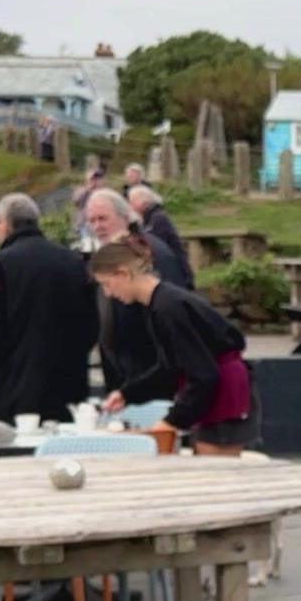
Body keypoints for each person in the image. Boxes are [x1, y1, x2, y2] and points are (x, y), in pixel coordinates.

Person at [89, 232, 259, 455]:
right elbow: (170, 366)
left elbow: (203, 375)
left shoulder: (168, 308)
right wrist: (128, 394)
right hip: (216, 392)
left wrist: (172, 421)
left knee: (214, 479)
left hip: (223, 396)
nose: (108, 294)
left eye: (107, 284)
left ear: (124, 273)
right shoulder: (161, 303)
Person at [0, 193, 99, 423]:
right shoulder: (75, 264)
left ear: (2, 224)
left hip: (11, 397)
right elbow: (92, 327)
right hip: (69, 394)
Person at [85, 188, 192, 393]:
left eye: (103, 219)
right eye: (92, 221)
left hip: (151, 374)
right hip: (127, 376)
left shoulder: (147, 252)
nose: (97, 226)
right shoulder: (116, 254)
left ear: (125, 218)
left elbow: (165, 313)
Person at [128, 184, 195, 289]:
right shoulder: (147, 219)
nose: (129, 206)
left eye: (132, 201)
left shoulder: (158, 219)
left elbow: (155, 247)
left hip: (175, 272)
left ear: (143, 202)